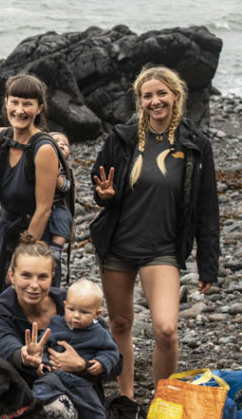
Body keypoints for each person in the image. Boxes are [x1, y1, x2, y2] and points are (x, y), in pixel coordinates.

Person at [90, 65, 220, 399]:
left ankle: (163, 400)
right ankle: (127, 400)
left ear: (176, 96)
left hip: (161, 247)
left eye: (161, 93)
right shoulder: (122, 138)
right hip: (119, 244)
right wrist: (104, 194)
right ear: (140, 101)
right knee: (119, 325)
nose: (155, 101)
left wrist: (208, 263)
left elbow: (206, 208)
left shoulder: (195, 144)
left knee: (166, 329)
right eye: (147, 95)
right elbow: (100, 184)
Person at [0, 73, 62, 296]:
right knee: (1, 304)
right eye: (14, 102)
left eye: (27, 104)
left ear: (39, 108)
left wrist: (22, 259)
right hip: (5, 229)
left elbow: (44, 210)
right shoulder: (1, 136)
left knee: (28, 303)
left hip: (33, 236)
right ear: (6, 102)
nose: (19, 110)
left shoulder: (44, 148)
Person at [0, 235, 93, 390]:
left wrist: (83, 364)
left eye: (42, 277)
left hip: (81, 391)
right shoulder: (1, 310)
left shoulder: (71, 304)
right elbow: (5, 345)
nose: (34, 285)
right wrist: (24, 356)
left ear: (52, 277)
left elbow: (115, 360)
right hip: (29, 393)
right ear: (11, 276)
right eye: (26, 275)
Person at [31, 278, 120, 419]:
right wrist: (42, 363)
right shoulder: (56, 325)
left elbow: (112, 352)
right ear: (64, 306)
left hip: (82, 381)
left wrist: (101, 363)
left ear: (97, 314)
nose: (76, 316)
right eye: (71, 310)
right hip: (55, 375)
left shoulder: (99, 333)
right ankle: (36, 415)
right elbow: (44, 345)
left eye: (84, 312)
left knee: (93, 408)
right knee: (42, 388)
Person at [46, 131, 74, 255]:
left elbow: (67, 186)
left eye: (66, 144)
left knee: (65, 218)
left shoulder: (64, 169)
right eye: (56, 141)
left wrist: (58, 180)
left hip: (57, 206)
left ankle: (56, 249)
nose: (62, 143)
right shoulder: (38, 163)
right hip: (39, 204)